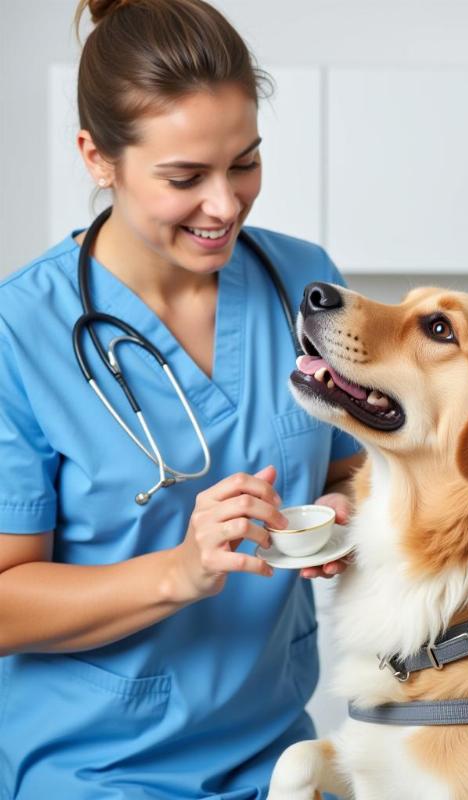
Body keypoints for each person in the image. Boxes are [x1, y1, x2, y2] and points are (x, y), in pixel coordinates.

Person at [0, 1, 364, 797]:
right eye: (184, 177)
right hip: (95, 765)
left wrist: (342, 515)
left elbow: (352, 468)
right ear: (98, 157)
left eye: (245, 163)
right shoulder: (19, 331)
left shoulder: (300, 280)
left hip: (279, 755)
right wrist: (179, 571)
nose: (226, 205)